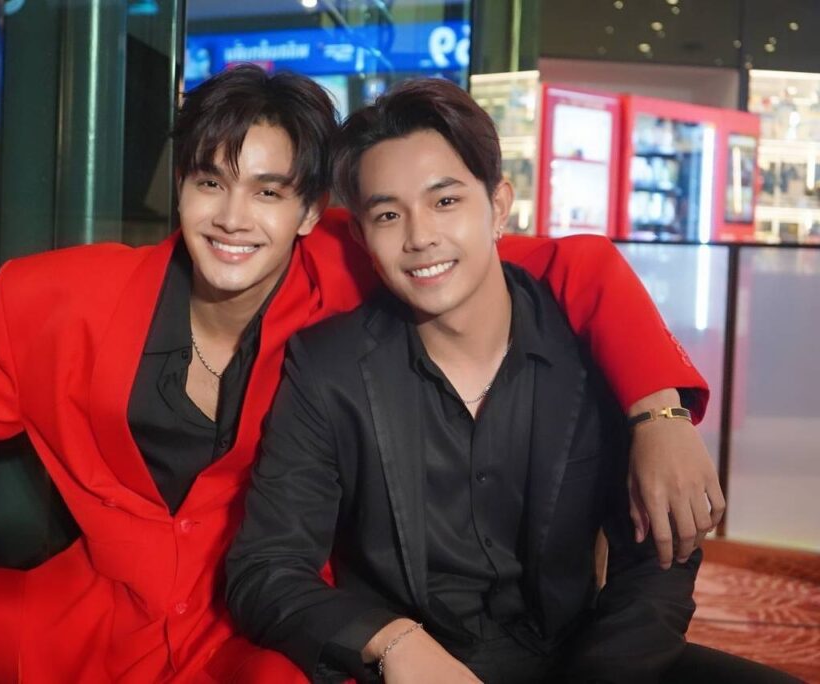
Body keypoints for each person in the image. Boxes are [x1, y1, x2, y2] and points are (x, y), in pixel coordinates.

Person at [0, 66, 718, 683]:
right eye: (210, 182)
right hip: (93, 610)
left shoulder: (354, 266)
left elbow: (569, 267)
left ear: (311, 213)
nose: (235, 218)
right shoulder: (61, 300)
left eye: (269, 191)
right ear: (181, 191)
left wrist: (658, 412)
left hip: (253, 626)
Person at [225, 78, 796, 683]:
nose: (420, 237)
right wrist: (393, 643)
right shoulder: (328, 369)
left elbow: (655, 563)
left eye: (446, 201)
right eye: (389, 214)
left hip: (585, 660)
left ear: (498, 207)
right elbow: (267, 568)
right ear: (363, 237)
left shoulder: (593, 347)